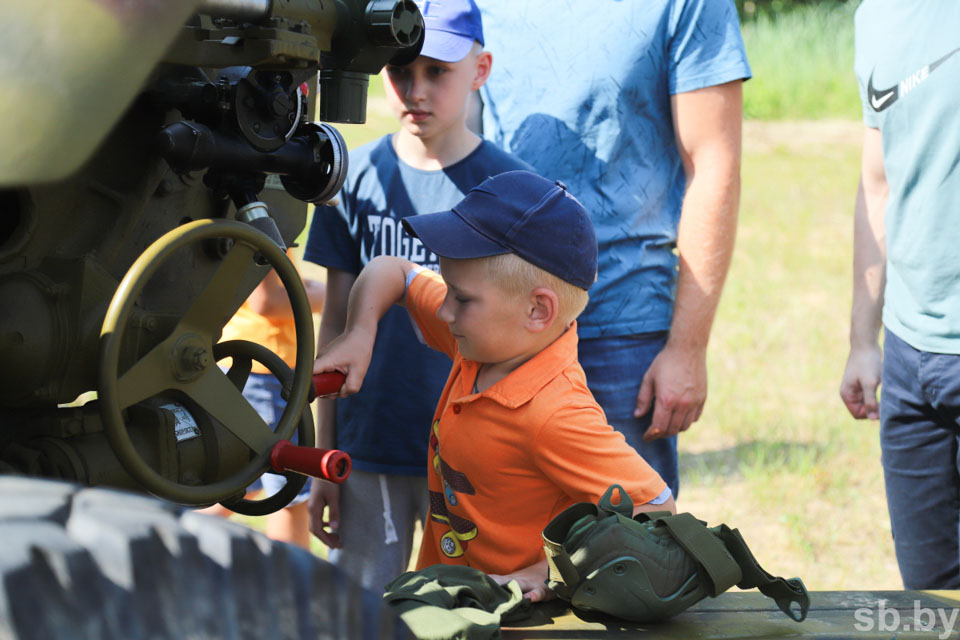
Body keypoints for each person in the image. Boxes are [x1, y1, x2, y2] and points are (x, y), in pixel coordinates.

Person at [313, 171, 675, 602]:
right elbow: (391, 269)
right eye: (448, 290)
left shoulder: (554, 412)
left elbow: (656, 509)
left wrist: (547, 571)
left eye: (461, 299)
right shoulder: (487, 344)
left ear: (538, 309)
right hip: (448, 603)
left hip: (512, 621)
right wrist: (359, 332)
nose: (445, 311)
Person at [473, 0, 752, 497]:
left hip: (623, 333)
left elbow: (714, 162)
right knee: (503, 558)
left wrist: (688, 347)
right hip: (500, 324)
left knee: (626, 554)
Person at [302, 0, 531, 591]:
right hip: (369, 446)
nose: (416, 90)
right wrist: (323, 457)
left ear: (480, 70)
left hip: (471, 459)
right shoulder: (350, 178)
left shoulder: (508, 188)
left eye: (438, 71)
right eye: (402, 71)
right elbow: (335, 326)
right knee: (356, 612)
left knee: (466, 611)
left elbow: (527, 342)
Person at [840, 1, 960, 590]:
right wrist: (864, 340)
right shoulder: (875, 16)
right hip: (909, 362)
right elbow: (877, 183)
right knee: (929, 604)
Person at [212, 246, 326, 549]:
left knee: (244, 483)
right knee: (289, 493)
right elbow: (267, 301)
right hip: (265, 369)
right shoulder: (263, 212)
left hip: (242, 360)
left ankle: (170, 541)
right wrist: (330, 296)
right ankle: (292, 590)